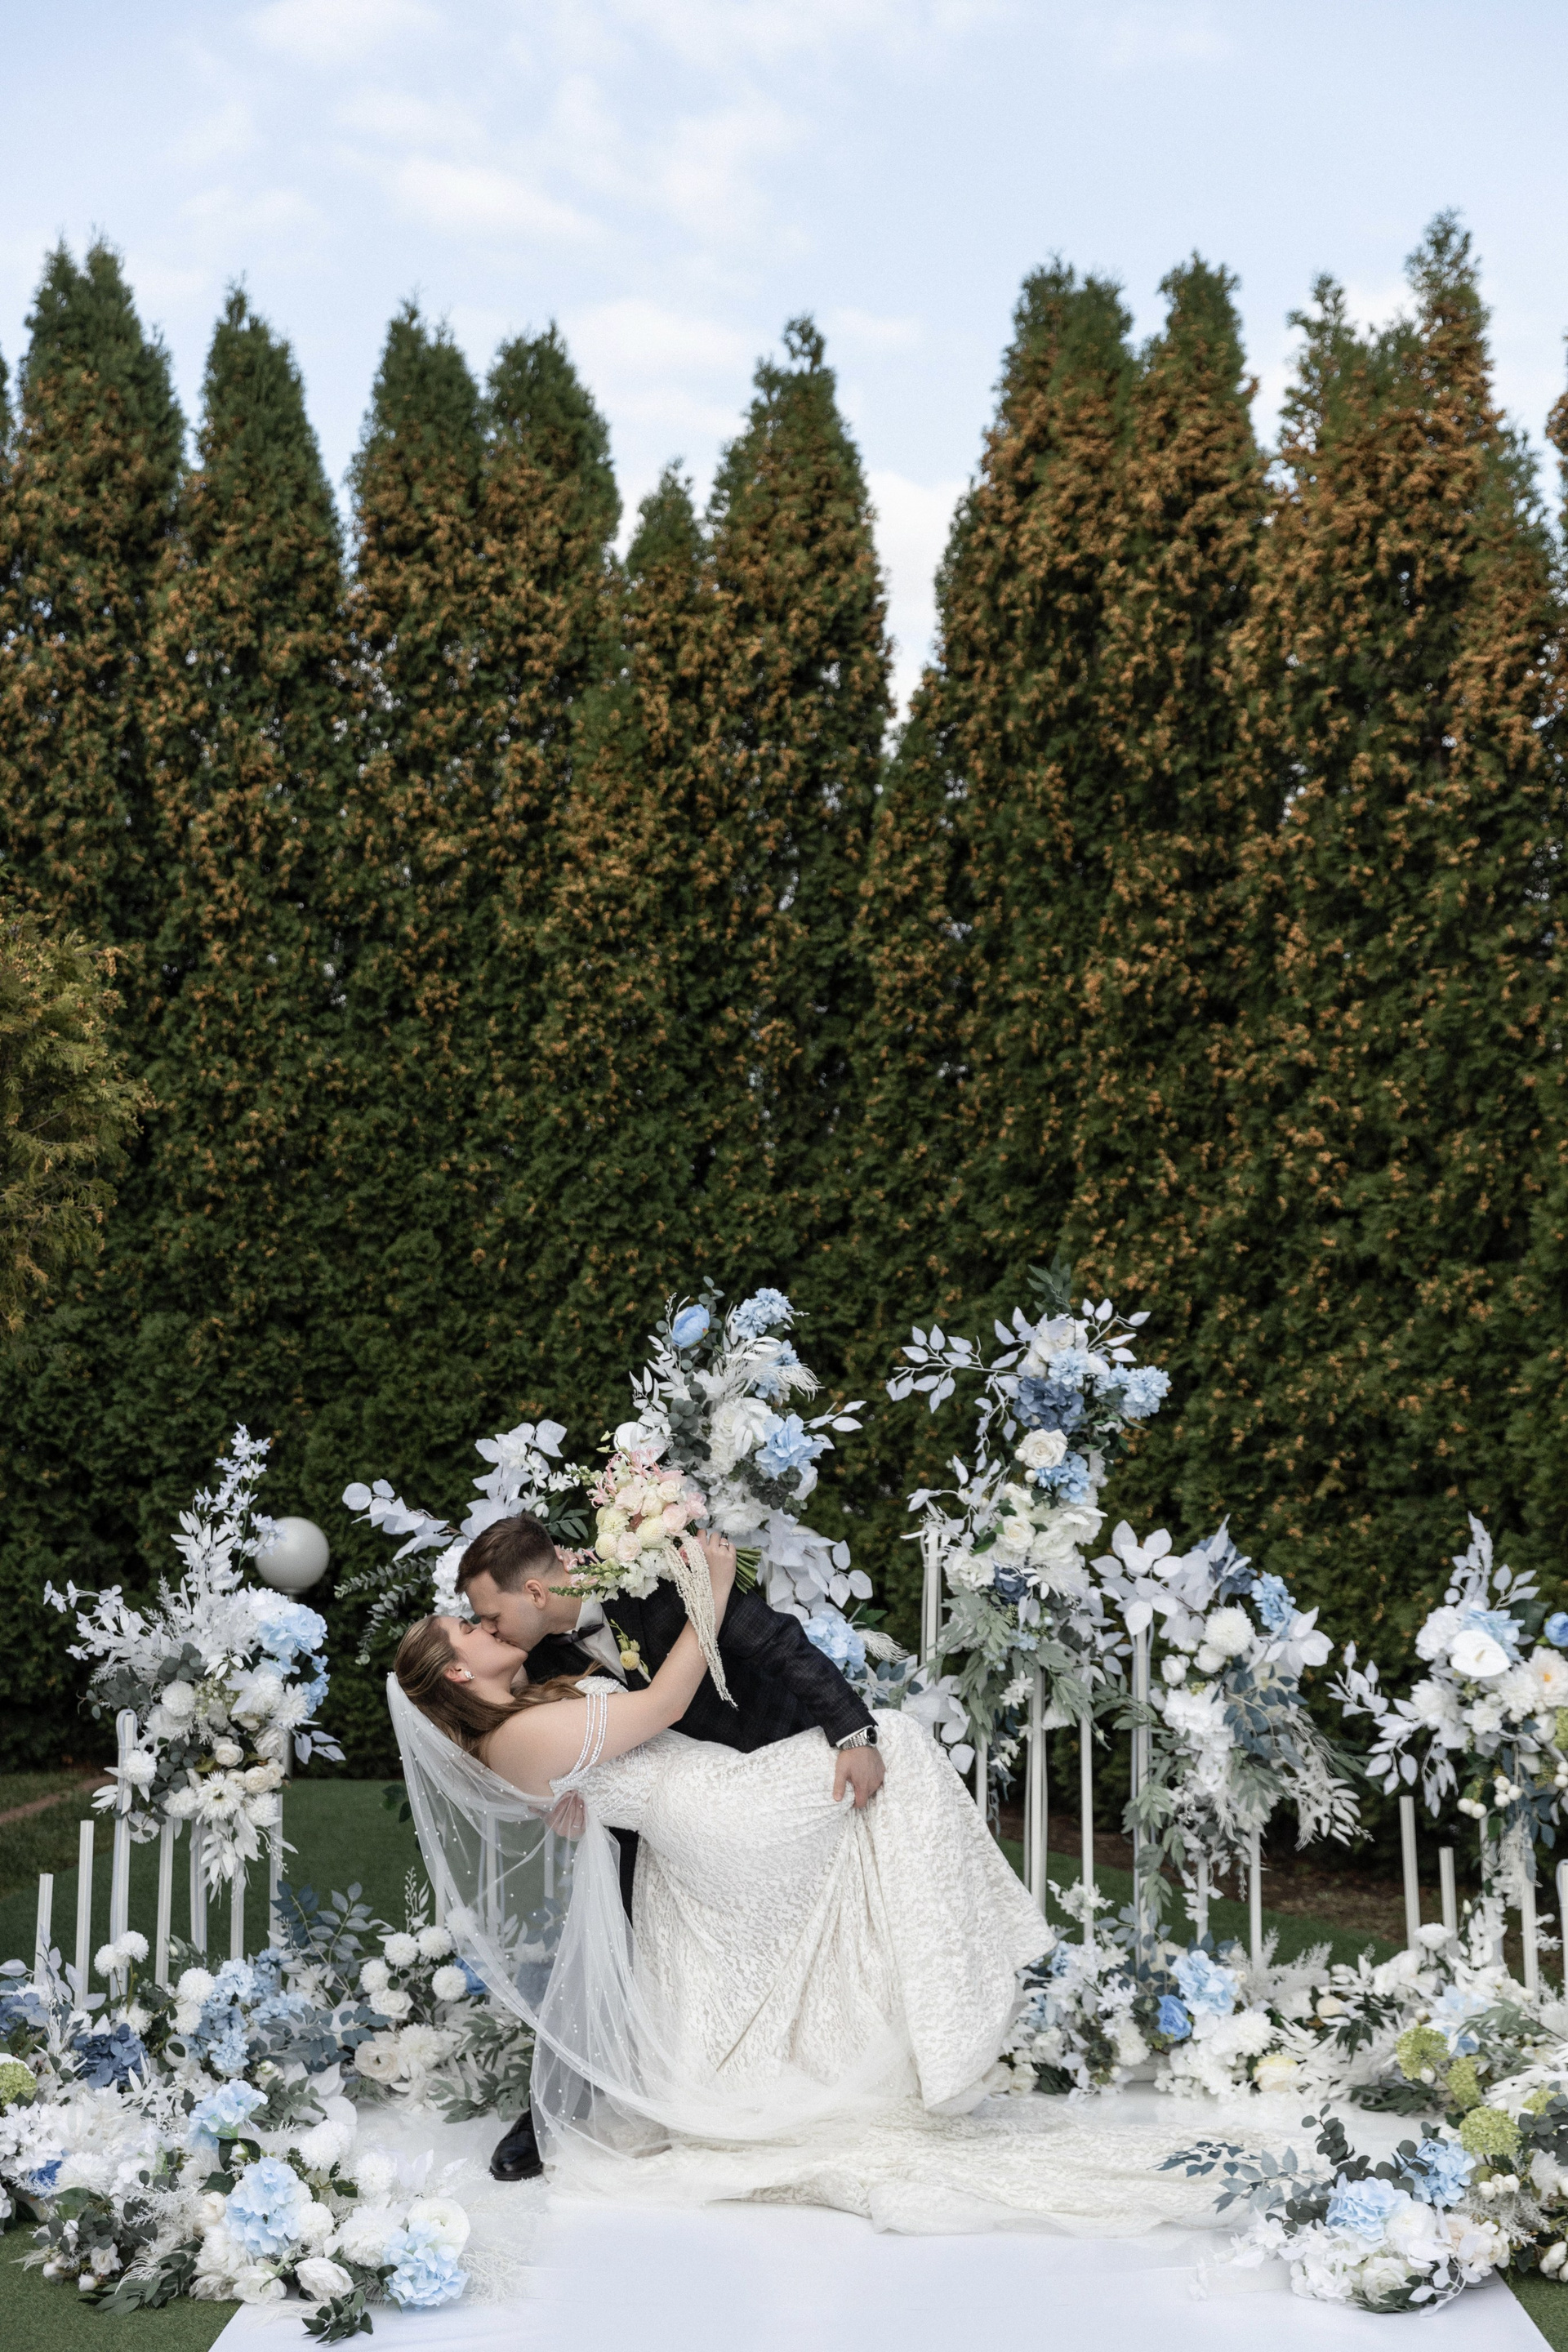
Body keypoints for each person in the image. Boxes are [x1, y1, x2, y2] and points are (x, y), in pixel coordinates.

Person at [387, 1547, 1219, 2238]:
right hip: (712, 1812)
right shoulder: (518, 1733)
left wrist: (578, 1794)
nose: (484, 1626)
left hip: (701, 1811)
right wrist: (711, 1591)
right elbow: (664, 1704)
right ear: (458, 1668)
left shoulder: (527, 1705)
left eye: (481, 1614)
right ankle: (961, 1986)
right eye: (470, 1628)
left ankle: (937, 1994)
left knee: (864, 1827)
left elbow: (587, 1772)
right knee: (900, 1739)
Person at [451, 1513, 883, 2181]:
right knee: (610, 1943)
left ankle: (805, 2067)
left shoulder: (653, 1579)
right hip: (655, 1818)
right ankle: (553, 2108)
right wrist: (570, 1796)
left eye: (490, 1616)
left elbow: (776, 1641)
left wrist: (852, 1732)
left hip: (761, 1759)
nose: (490, 1630)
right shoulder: (534, 1660)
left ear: (533, 1592)